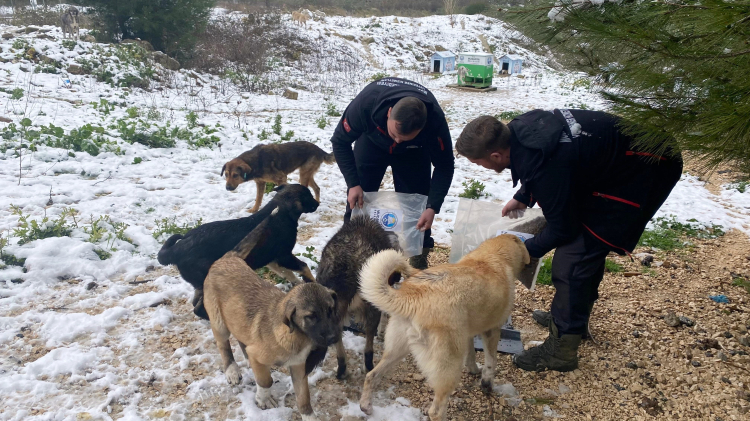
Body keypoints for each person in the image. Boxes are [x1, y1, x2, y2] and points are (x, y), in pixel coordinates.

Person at [456, 110, 682, 372]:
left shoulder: (547, 166)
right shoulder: (520, 131)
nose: (480, 167)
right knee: (580, 248)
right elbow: (541, 162)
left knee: (574, 258)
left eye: (478, 162)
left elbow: (563, 227)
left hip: (647, 166)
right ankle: (572, 318)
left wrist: (521, 251)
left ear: (496, 155)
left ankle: (562, 349)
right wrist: (525, 195)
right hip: (617, 161)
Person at [330, 77, 455, 269]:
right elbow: (339, 141)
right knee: (357, 202)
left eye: (402, 138)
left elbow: (445, 165)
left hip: (413, 152)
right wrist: (353, 183)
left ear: (422, 128)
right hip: (372, 141)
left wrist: (432, 206)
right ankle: (350, 260)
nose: (396, 141)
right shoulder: (365, 104)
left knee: (417, 206)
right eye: (394, 134)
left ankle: (417, 262)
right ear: (389, 113)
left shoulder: (435, 122)